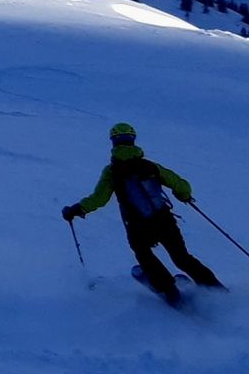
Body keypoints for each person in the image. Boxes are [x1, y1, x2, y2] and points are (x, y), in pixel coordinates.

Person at [62, 122, 224, 305]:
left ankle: (169, 291)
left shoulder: (112, 172)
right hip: (164, 219)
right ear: (133, 140)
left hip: (137, 225)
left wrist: (76, 210)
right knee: (182, 257)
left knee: (143, 254)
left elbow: (98, 199)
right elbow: (180, 184)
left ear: (113, 142)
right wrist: (184, 196)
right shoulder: (150, 166)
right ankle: (215, 288)